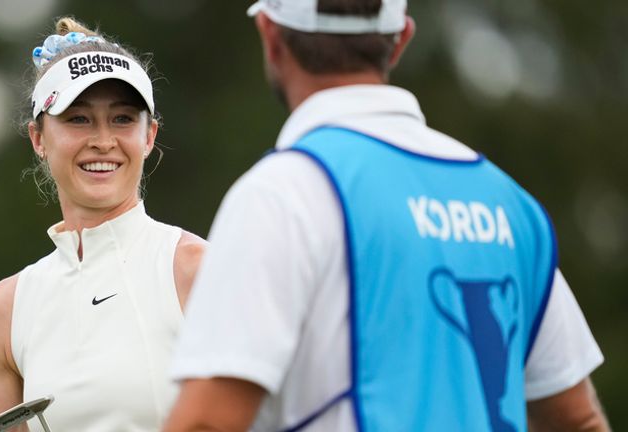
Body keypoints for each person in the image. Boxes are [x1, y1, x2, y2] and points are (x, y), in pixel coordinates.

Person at [164, 1, 610, 431]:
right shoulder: (510, 205)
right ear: (400, 40)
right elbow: (578, 419)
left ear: (270, 33)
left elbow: (208, 421)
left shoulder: (283, 193)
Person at [0, 17, 206, 431]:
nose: (102, 139)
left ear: (149, 136)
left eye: (122, 119)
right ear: (38, 139)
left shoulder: (198, 269)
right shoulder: (2, 311)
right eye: (78, 119)